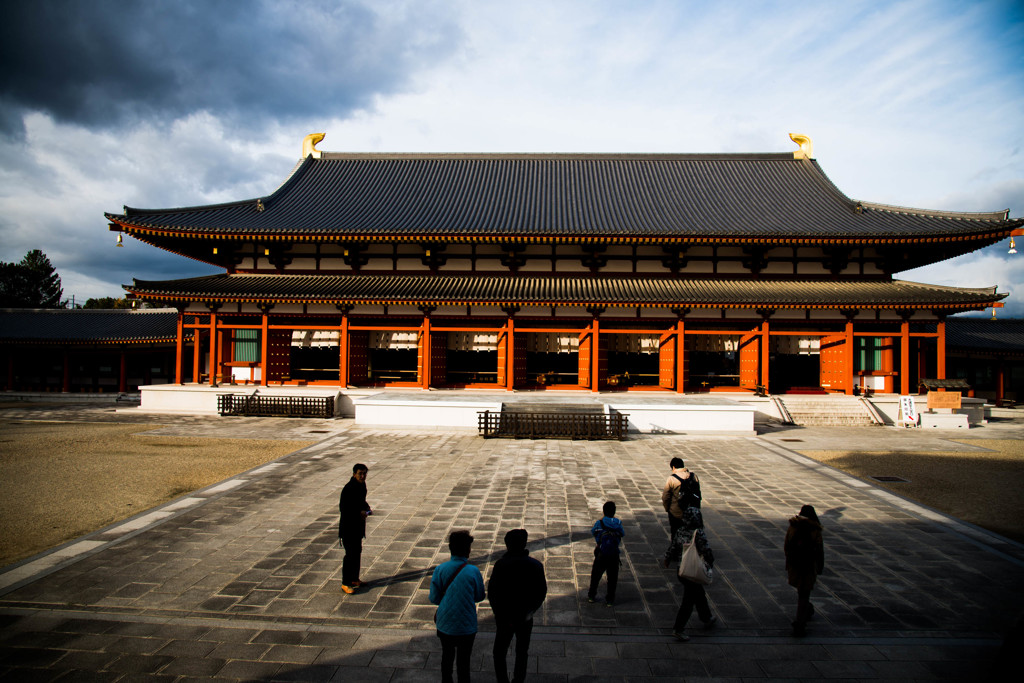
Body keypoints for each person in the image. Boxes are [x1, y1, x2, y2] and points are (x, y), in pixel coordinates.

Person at [488, 529, 547, 683]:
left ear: (507, 545)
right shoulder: (535, 565)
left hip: (504, 617)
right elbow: (541, 593)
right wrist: (530, 611)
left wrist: (498, 613)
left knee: (499, 653)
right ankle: (518, 680)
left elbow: (493, 593)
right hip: (525, 617)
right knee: (522, 652)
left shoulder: (501, 565)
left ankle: (503, 680)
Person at [431, 530, 485, 683]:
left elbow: (434, 598)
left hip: (445, 622)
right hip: (466, 624)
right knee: (464, 661)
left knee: (446, 657)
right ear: (468, 549)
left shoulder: (440, 569)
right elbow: (479, 596)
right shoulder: (473, 571)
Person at [664, 506, 717, 642]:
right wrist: (710, 563)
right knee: (688, 601)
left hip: (682, 569)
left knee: (698, 593)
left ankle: (706, 617)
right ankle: (678, 628)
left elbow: (673, 547)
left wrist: (668, 558)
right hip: (692, 570)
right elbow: (706, 550)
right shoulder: (698, 533)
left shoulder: (681, 531)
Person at [784, 504, 824, 636]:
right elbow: (819, 551)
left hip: (795, 565)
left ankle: (805, 612)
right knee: (804, 593)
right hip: (807, 566)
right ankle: (800, 623)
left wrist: (789, 562)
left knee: (802, 592)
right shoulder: (815, 530)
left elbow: (787, 546)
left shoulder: (793, 527)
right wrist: (819, 566)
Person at [338, 463, 372, 594]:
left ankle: (354, 578)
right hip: (348, 527)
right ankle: (345, 582)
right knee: (350, 555)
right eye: (360, 474)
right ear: (354, 474)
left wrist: (367, 508)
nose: (362, 476)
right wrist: (360, 513)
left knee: (357, 552)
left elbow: (362, 501)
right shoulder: (349, 488)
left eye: (364, 473)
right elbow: (344, 509)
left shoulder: (362, 485)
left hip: (358, 526)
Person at [587, 501, 625, 606]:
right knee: (612, 578)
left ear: (603, 511)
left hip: (601, 552)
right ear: (614, 512)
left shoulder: (600, 522)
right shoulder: (618, 523)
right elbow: (622, 533)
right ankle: (610, 600)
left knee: (596, 575)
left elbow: (593, 532)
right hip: (614, 554)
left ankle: (591, 596)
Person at [661, 457, 701, 539]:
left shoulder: (672, 479)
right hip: (692, 511)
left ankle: (676, 549)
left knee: (675, 533)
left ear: (673, 467)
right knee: (691, 534)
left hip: (676, 512)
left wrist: (667, 508)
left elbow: (666, 497)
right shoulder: (693, 476)